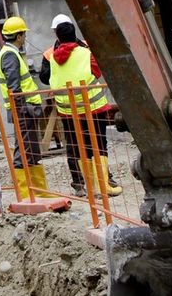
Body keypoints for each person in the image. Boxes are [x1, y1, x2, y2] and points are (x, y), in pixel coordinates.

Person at [39, 13, 121, 198]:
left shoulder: (53, 56)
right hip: (91, 107)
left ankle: (95, 184)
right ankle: (94, 184)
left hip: (68, 110)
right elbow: (96, 72)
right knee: (97, 143)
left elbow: (48, 79)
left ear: (57, 33)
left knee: (78, 145)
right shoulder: (84, 51)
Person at [0, 16, 47, 196]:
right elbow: (14, 87)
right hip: (23, 109)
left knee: (31, 149)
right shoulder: (10, 55)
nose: (25, 37)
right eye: (23, 34)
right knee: (24, 149)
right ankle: (27, 194)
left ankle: (38, 192)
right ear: (18, 36)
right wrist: (21, 110)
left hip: (24, 109)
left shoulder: (9, 53)